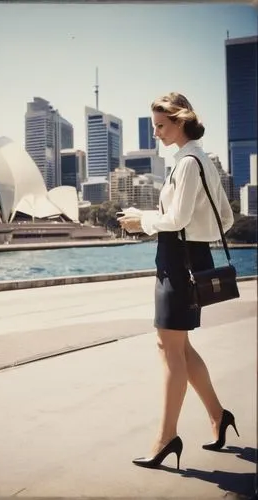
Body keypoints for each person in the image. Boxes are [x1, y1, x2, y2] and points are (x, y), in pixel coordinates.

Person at [118, 92, 238, 470]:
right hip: (189, 256)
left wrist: (144, 221)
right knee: (179, 347)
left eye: (160, 125)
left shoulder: (188, 162)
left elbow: (178, 219)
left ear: (180, 120)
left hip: (177, 258)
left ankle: (166, 438)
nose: (156, 133)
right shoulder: (200, 160)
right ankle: (219, 417)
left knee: (168, 348)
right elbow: (227, 218)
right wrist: (154, 217)